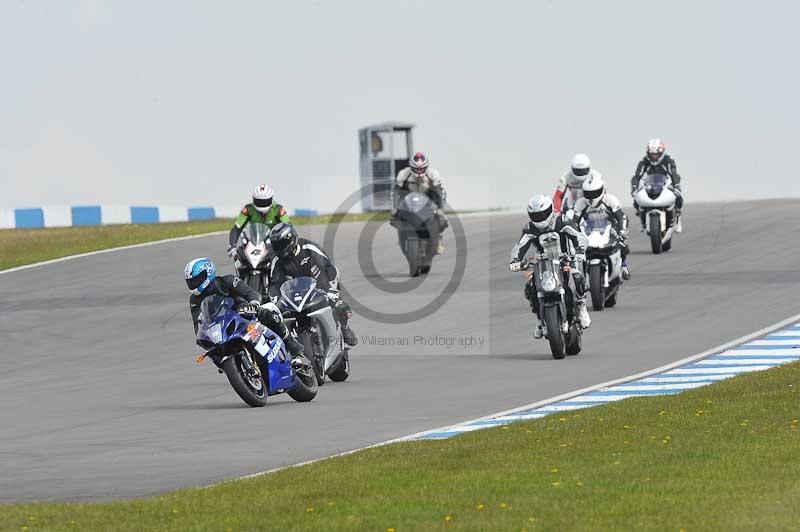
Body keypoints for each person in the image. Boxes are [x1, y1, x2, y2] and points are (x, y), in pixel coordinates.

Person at [184, 257, 305, 359]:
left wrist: (254, 304)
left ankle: (292, 345)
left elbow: (251, 293)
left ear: (208, 272)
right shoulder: (194, 300)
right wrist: (201, 338)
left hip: (243, 313)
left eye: (196, 280)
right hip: (221, 327)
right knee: (213, 354)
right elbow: (198, 323)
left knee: (269, 312)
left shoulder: (227, 281)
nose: (193, 284)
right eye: (191, 282)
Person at [509, 194, 591, 339]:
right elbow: (519, 246)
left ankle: (581, 306)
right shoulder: (530, 228)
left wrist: (580, 250)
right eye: (535, 215)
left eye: (542, 214)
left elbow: (579, 236)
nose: (539, 218)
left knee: (577, 276)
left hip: (566, 258)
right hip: (543, 262)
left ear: (550, 210)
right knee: (530, 287)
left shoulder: (562, 220)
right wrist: (515, 260)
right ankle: (540, 319)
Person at [267, 223, 358, 347]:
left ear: (292, 239)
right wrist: (275, 301)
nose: (280, 248)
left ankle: (344, 326)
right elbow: (275, 284)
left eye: (281, 245)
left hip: (321, 287)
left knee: (339, 305)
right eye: (276, 245)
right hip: (296, 295)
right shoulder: (276, 261)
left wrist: (332, 289)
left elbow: (329, 268)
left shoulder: (309, 248)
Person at [573, 174, 631, 280]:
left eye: (594, 193)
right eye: (588, 194)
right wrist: (575, 236)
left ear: (602, 190)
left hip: (610, 229)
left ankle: (623, 265)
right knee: (576, 252)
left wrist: (622, 232)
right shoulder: (580, 203)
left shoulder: (610, 200)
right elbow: (574, 222)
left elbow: (621, 216)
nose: (591, 197)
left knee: (622, 245)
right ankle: (580, 273)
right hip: (589, 231)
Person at [392, 151, 448, 254]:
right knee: (396, 216)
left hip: (429, 197)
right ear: (411, 167)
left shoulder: (433, 173)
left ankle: (439, 239)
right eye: (416, 169)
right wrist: (395, 206)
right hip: (409, 196)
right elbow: (396, 191)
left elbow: (439, 190)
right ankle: (402, 235)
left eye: (421, 169)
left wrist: (439, 206)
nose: (418, 172)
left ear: (426, 167)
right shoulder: (404, 173)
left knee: (442, 218)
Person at [630, 139, 683, 232]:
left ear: (661, 152)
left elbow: (674, 174)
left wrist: (677, 186)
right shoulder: (644, 162)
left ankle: (678, 217)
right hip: (650, 184)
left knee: (678, 196)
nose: (654, 156)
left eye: (656, 154)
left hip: (665, 184)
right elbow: (637, 176)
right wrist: (634, 188)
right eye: (652, 154)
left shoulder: (668, 160)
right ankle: (642, 220)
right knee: (636, 198)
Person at [227, 184, 291, 258]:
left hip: (273, 244)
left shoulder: (278, 209)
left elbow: (288, 227)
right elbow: (237, 228)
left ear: (271, 199)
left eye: (264, 201)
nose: (262, 204)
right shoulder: (248, 209)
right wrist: (232, 245)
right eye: (259, 201)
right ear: (254, 199)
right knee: (239, 257)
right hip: (254, 243)